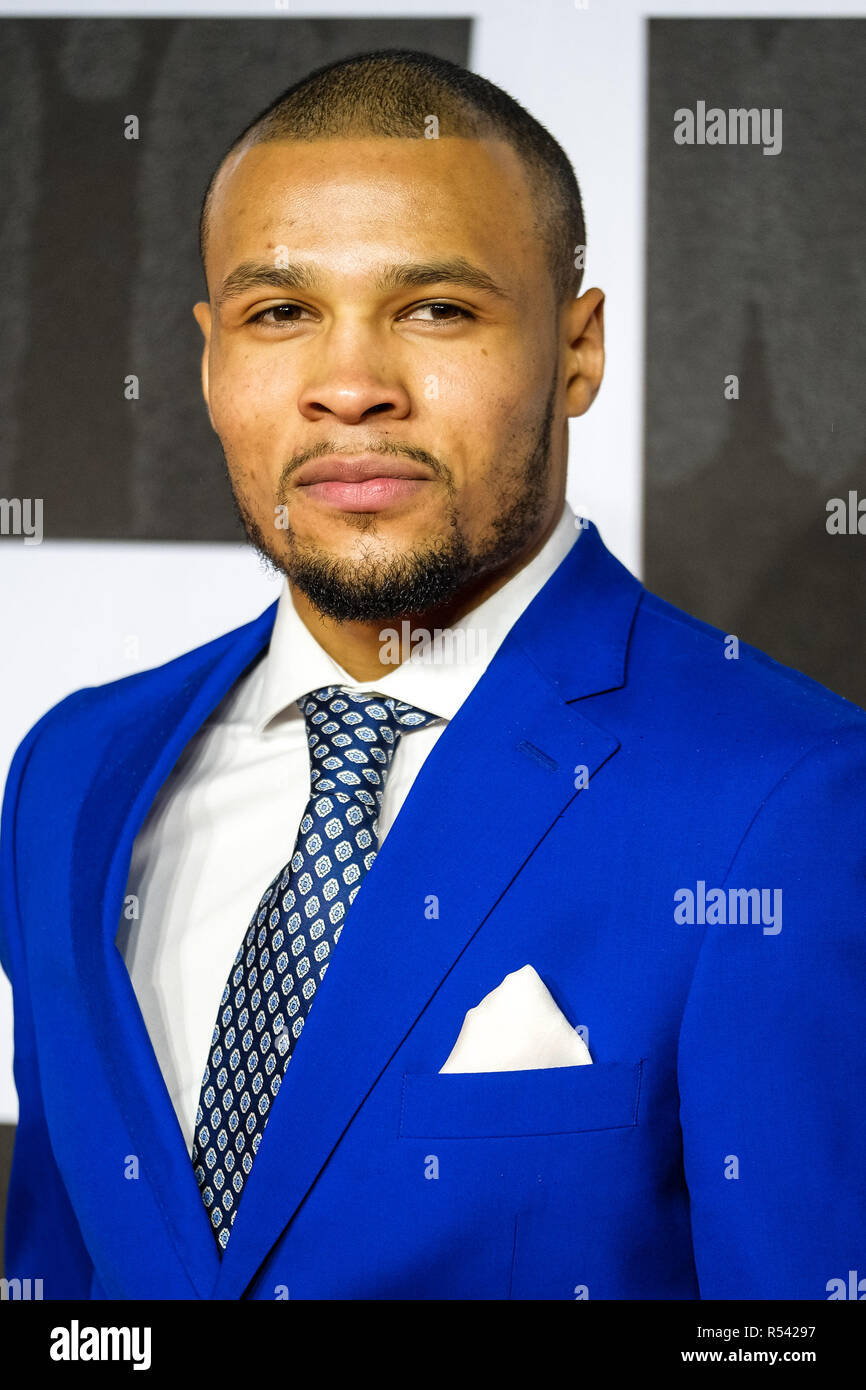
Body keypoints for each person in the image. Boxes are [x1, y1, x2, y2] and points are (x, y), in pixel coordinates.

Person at [2, 49, 864, 1302]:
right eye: (279, 313)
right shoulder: (72, 775)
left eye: (435, 310)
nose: (350, 388)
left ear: (576, 350)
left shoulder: (788, 801)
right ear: (206, 360)